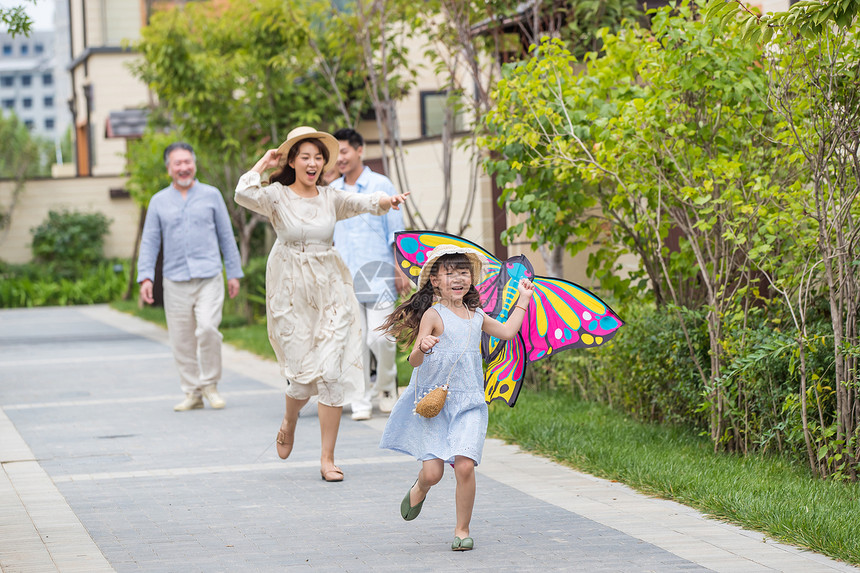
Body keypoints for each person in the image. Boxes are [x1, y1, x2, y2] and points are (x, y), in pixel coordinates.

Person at [234, 126, 409, 482]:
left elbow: (363, 203)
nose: (313, 163)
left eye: (318, 157)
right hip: (289, 290)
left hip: (330, 287)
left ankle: (327, 458)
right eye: (305, 157)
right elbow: (243, 193)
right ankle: (290, 418)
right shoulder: (276, 195)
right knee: (300, 378)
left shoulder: (331, 197)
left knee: (331, 373)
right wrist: (265, 163)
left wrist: (387, 202)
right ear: (293, 161)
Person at [378, 244, 535, 551]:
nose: (459, 278)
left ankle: (462, 530)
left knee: (464, 466)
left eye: (464, 272)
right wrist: (422, 346)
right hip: (435, 405)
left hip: (470, 402)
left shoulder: (476, 315)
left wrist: (524, 300)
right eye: (450, 273)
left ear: (471, 279)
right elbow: (413, 362)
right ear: (435, 281)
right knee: (434, 473)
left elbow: (505, 331)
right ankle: (421, 486)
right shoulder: (434, 315)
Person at [137, 142, 243, 412]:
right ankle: (193, 393)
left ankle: (210, 384)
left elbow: (226, 236)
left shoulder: (212, 195)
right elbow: (149, 242)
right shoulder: (158, 201)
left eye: (187, 162)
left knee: (207, 328)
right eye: (177, 163)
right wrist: (145, 277)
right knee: (181, 340)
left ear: (194, 164)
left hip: (209, 276)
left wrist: (234, 272)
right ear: (169, 168)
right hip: (174, 279)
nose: (183, 167)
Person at [331, 128, 408, 420]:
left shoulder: (381, 184)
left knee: (381, 337)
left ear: (359, 150)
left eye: (344, 151)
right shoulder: (333, 191)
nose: (340, 159)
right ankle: (360, 398)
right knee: (354, 340)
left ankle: (387, 387)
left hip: (377, 271)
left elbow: (396, 232)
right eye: (335, 154)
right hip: (344, 276)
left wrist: (401, 269)